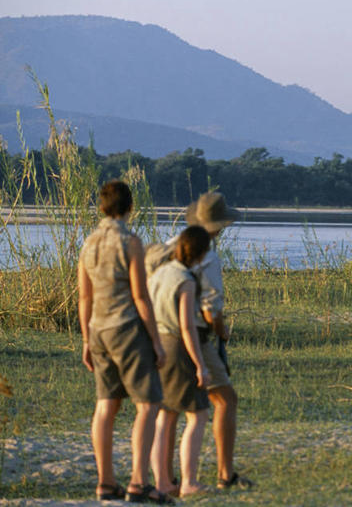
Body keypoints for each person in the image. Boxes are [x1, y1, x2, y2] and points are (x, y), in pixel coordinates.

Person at [78, 180, 172, 504]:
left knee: (106, 404)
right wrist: (156, 341)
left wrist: (86, 340)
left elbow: (84, 297)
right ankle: (138, 482)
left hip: (97, 330)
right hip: (127, 329)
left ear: (102, 206)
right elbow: (140, 296)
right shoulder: (130, 242)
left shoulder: (88, 243)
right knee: (148, 405)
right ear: (130, 207)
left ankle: (105, 482)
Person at [165, 192, 253, 489]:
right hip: (195, 335)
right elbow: (210, 308)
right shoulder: (209, 256)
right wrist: (221, 329)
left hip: (164, 333)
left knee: (170, 409)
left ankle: (167, 478)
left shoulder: (170, 246)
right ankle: (225, 474)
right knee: (225, 399)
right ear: (220, 225)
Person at [149, 226, 212, 498]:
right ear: (199, 253)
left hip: (156, 344)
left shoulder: (159, 272)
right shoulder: (185, 280)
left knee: (165, 414)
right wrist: (200, 365)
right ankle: (189, 481)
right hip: (176, 346)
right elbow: (186, 326)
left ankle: (162, 482)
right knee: (198, 414)